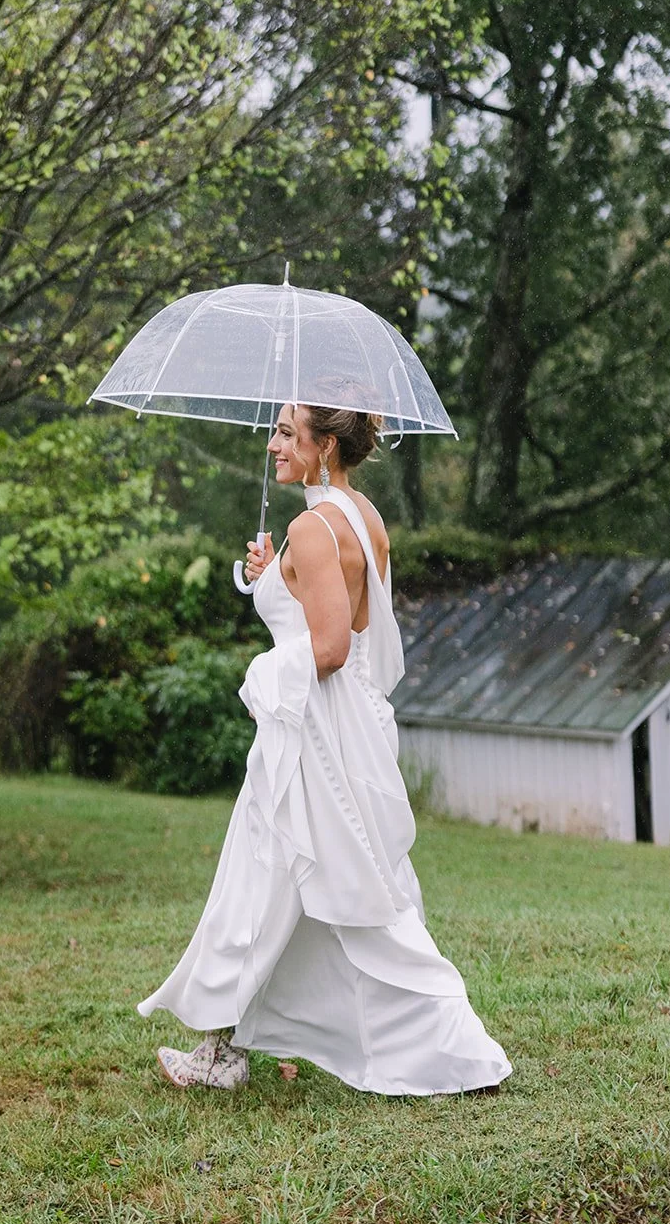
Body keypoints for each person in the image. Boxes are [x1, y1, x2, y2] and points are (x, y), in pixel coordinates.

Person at [138, 403, 511, 1096]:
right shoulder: (359, 515)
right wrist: (267, 578)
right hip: (343, 729)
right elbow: (331, 606)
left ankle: (448, 1049)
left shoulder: (312, 527)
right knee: (297, 884)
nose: (272, 444)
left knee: (289, 884)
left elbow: (332, 648)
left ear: (325, 444)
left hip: (311, 733)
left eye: (286, 432)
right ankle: (223, 1050)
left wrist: (260, 670)